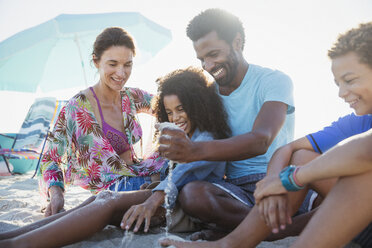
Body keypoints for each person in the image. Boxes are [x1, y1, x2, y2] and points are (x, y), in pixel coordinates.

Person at [159, 22, 372, 248]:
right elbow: (290, 150)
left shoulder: (272, 81)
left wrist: (291, 179)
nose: (341, 93)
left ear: (237, 42)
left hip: (310, 194)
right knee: (302, 157)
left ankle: (267, 232)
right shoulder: (359, 120)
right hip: (242, 188)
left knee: (358, 174)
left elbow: (363, 150)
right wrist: (276, 180)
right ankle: (238, 240)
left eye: (349, 80)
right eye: (337, 84)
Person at [0, 66, 232, 248]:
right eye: (169, 112)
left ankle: (17, 244)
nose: (175, 117)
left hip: (179, 207)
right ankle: (14, 235)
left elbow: (182, 175)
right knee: (98, 199)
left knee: (108, 201)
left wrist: (151, 200)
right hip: (170, 199)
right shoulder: (188, 134)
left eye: (181, 109)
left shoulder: (207, 137)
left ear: (199, 105)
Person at [157, 8, 299, 240]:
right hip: (236, 189)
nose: (208, 65)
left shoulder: (274, 81)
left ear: (237, 42)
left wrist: (193, 151)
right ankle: (269, 227)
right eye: (202, 59)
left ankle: (254, 228)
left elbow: (261, 139)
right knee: (193, 195)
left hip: (278, 180)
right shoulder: (209, 95)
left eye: (214, 54)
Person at [38, 27, 167, 217]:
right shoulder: (77, 107)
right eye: (113, 64)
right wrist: (56, 194)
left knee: (182, 166)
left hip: (143, 175)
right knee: (182, 184)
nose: (121, 73)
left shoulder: (131, 96)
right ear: (96, 62)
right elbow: (51, 158)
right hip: (115, 190)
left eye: (127, 65)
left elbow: (169, 106)